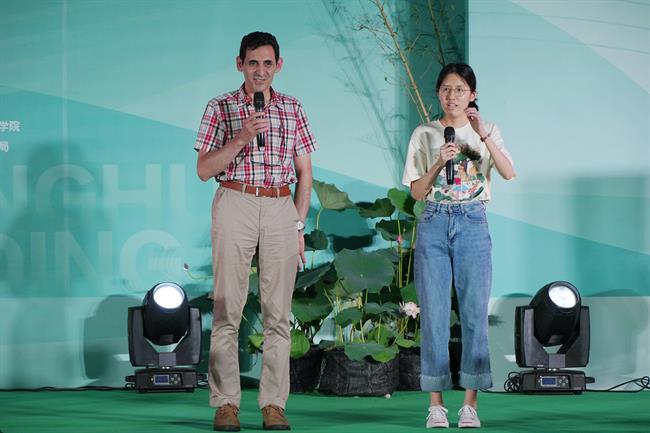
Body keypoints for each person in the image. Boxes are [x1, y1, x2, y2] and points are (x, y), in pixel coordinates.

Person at [194, 31, 317, 431]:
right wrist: (242, 136)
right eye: (252, 63)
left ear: (278, 65)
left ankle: (273, 404)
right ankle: (226, 402)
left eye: (267, 63)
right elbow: (204, 169)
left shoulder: (293, 108)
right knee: (228, 309)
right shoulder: (220, 107)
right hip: (236, 199)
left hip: (280, 205)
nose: (260, 71)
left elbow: (305, 172)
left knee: (278, 314)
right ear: (239, 64)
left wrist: (298, 223)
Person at [402, 63, 515, 429]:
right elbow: (416, 192)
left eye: (460, 90)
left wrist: (483, 136)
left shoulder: (488, 130)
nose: (452, 96)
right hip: (434, 221)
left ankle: (470, 405)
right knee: (434, 315)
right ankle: (436, 405)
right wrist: (439, 161)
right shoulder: (424, 133)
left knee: (474, 314)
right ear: (438, 93)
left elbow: (508, 172)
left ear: (473, 95)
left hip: (472, 222)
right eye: (446, 89)